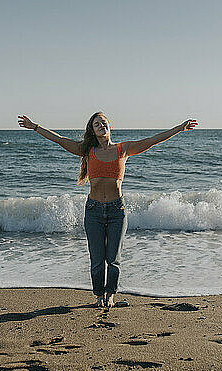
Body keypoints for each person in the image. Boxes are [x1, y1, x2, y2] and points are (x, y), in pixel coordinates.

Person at [17, 112, 198, 307]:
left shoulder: (124, 149)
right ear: (92, 130)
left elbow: (152, 140)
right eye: (97, 124)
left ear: (109, 126)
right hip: (93, 211)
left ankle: (110, 295)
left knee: (113, 259)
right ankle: (98, 296)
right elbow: (60, 140)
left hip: (116, 211)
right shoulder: (87, 151)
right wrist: (35, 127)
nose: (101, 125)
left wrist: (180, 128)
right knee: (97, 259)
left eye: (103, 122)